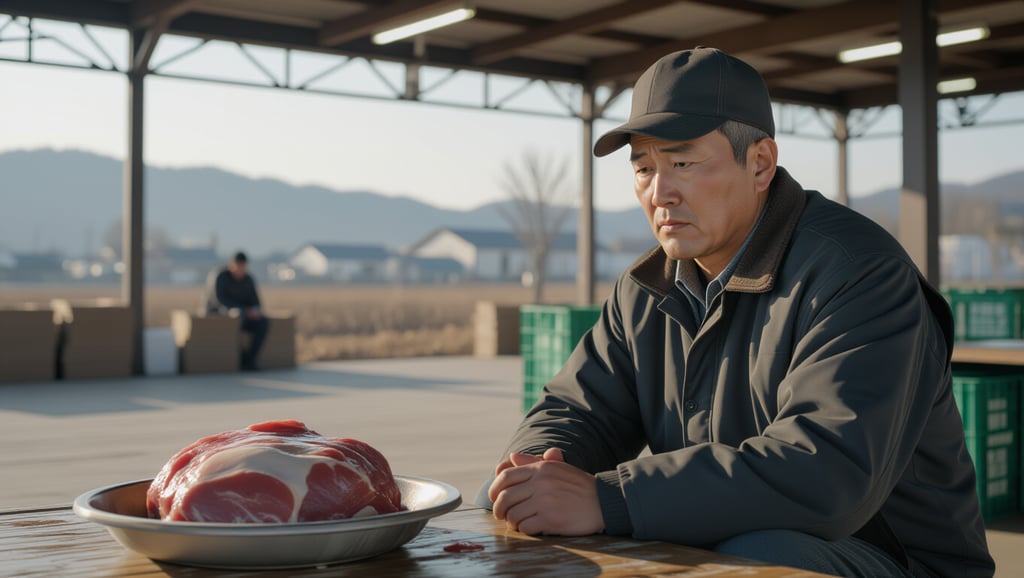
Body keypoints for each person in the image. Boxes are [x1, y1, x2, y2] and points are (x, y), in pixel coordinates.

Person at [480, 47, 994, 577]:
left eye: (682, 163)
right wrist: (538, 468)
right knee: (516, 501)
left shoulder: (859, 274)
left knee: (757, 554)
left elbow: (828, 472)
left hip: (890, 558)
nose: (660, 193)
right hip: (728, 534)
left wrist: (613, 499)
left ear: (760, 164)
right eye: (644, 168)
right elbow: (576, 408)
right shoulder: (645, 288)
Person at [205, 251, 269, 370]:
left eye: (243, 266)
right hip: (219, 314)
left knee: (263, 321)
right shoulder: (220, 276)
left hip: (244, 315)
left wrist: (255, 311)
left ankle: (250, 360)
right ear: (231, 265)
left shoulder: (248, 279)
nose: (240, 269)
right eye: (238, 266)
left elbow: (256, 302)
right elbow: (219, 300)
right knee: (238, 316)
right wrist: (242, 310)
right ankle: (238, 357)